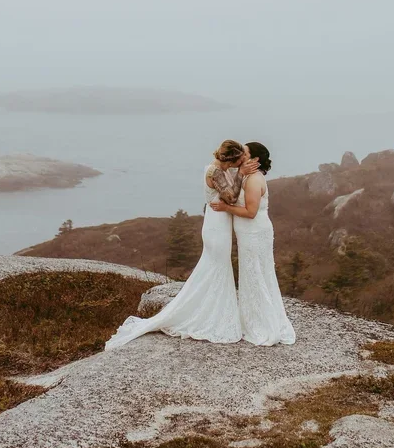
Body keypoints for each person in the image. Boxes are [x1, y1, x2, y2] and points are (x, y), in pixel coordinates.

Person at [104, 139, 260, 350]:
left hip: (218, 224)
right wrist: (241, 174)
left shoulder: (217, 168)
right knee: (218, 268)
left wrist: (241, 173)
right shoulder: (214, 172)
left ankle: (214, 312)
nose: (242, 161)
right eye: (239, 159)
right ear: (230, 160)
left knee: (215, 269)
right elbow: (230, 197)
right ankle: (213, 317)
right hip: (217, 227)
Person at [210, 142, 295, 346]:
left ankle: (262, 322)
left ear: (255, 159)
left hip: (254, 232)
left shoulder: (254, 180)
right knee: (253, 274)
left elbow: (250, 212)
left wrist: (224, 208)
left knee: (256, 274)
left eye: (245, 153)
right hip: (249, 233)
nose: (241, 155)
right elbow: (220, 166)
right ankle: (253, 317)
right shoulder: (246, 175)